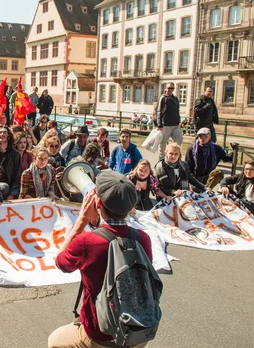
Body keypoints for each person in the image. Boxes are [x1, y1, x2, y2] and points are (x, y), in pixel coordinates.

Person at [49, 170, 153, 348]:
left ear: (97, 203)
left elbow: (61, 262)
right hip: (138, 331)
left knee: (54, 341)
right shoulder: (143, 238)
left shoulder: (86, 242)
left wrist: (82, 220)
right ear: (129, 208)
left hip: (99, 334)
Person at [220, 160, 254, 225]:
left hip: (253, 208)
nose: (248, 171)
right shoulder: (242, 176)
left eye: (252, 169)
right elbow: (225, 180)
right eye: (246, 169)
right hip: (241, 201)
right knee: (222, 190)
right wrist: (223, 186)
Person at [156, 82, 183, 160]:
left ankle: (175, 156)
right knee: (163, 143)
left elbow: (177, 110)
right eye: (169, 88)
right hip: (165, 124)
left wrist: (179, 120)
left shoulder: (175, 98)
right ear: (165, 88)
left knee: (179, 139)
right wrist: (159, 124)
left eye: (172, 88)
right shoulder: (163, 98)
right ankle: (161, 160)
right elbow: (159, 111)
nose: (170, 90)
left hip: (175, 124)